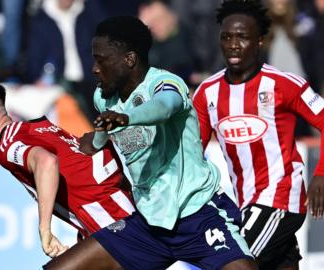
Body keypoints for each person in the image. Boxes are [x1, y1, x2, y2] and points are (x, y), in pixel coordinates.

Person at [42, 16, 256, 270]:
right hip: (149, 224)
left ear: (129, 60)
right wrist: (98, 141)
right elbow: (107, 125)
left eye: (102, 60)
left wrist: (126, 118)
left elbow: (164, 107)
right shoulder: (104, 96)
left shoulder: (165, 83)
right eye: (94, 59)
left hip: (198, 213)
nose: (94, 69)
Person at [192, 1, 324, 269]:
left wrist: (321, 174)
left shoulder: (284, 84)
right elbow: (193, 150)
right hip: (245, 203)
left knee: (233, 262)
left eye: (242, 37)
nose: (233, 45)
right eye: (227, 37)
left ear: (260, 41)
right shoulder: (207, 93)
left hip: (280, 197)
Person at [0, 77, 135, 259]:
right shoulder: (41, 128)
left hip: (112, 223)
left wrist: (44, 230)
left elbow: (47, 163)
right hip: (120, 216)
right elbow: (100, 157)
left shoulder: (8, 146)